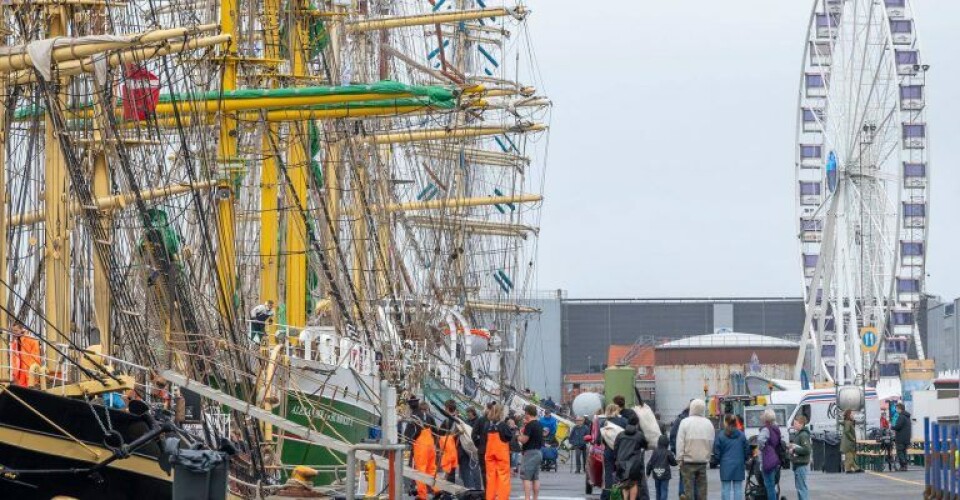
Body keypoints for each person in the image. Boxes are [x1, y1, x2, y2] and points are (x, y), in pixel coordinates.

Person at [675, 399, 714, 500]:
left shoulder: (684, 422)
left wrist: (679, 459)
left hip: (687, 462)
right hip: (702, 462)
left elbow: (680, 442)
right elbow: (711, 443)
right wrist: (708, 457)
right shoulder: (708, 423)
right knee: (702, 490)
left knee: (688, 491)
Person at [405, 400, 438, 499]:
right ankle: (437, 491)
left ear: (411, 407)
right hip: (431, 445)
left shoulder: (414, 417)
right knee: (431, 469)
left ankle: (422, 495)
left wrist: (407, 443)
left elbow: (408, 435)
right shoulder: (429, 417)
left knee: (420, 471)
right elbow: (436, 431)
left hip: (421, 447)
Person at [712, 414, 749, 500]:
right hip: (739, 464)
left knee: (725, 489)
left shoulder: (721, 435)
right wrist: (745, 459)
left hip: (725, 465)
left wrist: (717, 461)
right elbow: (747, 449)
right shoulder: (741, 435)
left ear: (726, 422)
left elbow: (717, 451)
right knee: (738, 489)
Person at [484, 404, 515, 500]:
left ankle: (490, 498)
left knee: (491, 478)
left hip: (489, 454)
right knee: (503, 478)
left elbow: (484, 437)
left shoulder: (487, 425)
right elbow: (509, 437)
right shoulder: (502, 425)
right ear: (501, 413)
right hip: (501, 455)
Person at [613, 414, 648, 500]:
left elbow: (615, 448)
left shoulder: (620, 435)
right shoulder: (639, 435)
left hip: (621, 463)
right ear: (637, 424)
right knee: (633, 483)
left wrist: (616, 460)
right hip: (634, 464)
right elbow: (646, 445)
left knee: (624, 484)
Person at [602, 404, 628, 500]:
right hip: (621, 452)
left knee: (608, 474)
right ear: (617, 410)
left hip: (608, 451)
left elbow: (597, 440)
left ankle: (609, 494)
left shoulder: (604, 423)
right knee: (621, 473)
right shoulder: (624, 421)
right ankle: (621, 493)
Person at [518, 405, 545, 500]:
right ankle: (535, 498)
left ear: (527, 413)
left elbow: (524, 440)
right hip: (538, 452)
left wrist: (518, 436)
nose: (524, 415)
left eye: (525, 413)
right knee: (535, 478)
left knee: (527, 478)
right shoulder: (539, 424)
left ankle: (527, 498)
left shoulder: (530, 425)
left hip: (530, 453)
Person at [756, 409, 782, 500]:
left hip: (767, 460)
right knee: (772, 485)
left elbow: (760, 441)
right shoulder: (776, 428)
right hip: (774, 459)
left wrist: (762, 448)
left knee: (769, 486)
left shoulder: (766, 429)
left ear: (766, 418)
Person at [10, 322, 41, 387]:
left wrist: (30, 369)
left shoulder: (32, 340)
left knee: (30, 389)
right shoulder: (14, 343)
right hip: (20, 372)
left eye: (16, 330)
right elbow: (14, 360)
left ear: (22, 330)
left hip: (29, 371)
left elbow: (35, 357)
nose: (14, 333)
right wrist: (14, 372)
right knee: (22, 390)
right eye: (13, 331)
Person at [438, 399, 461, 485]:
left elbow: (440, 433)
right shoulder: (458, 419)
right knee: (452, 471)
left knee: (447, 471)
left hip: (448, 449)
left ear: (447, 408)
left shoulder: (447, 421)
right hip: (456, 448)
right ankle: (451, 493)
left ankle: (448, 493)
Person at [646, 434, 677, 500]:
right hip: (665, 475)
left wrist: (648, 473)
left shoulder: (655, 452)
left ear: (658, 442)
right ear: (667, 443)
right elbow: (674, 463)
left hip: (656, 474)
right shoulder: (668, 452)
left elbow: (650, 463)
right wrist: (676, 460)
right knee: (664, 490)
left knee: (658, 491)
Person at [669, 405, 690, 498]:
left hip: (682, 453)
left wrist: (676, 451)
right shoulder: (698, 420)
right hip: (695, 455)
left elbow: (672, 435)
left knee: (683, 476)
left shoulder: (679, 419)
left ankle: (682, 493)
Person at [789, 415, 812, 500]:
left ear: (801, 423)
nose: (793, 425)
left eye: (795, 423)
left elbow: (807, 450)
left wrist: (794, 449)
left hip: (801, 464)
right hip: (798, 464)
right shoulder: (799, 434)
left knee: (801, 488)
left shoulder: (803, 435)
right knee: (800, 487)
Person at [461, 407, 482, 489]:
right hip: (466, 446)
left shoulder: (478, 421)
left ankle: (477, 487)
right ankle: (470, 486)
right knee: (467, 467)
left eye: (468, 413)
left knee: (475, 468)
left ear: (472, 412)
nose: (468, 415)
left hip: (474, 447)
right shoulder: (467, 421)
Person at [892, 402, 912, 471]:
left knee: (900, 451)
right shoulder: (907, 416)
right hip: (906, 438)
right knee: (904, 452)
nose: (896, 410)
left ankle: (903, 465)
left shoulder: (901, 416)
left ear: (900, 409)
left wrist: (892, 427)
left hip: (901, 438)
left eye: (897, 409)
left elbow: (898, 426)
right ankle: (905, 465)